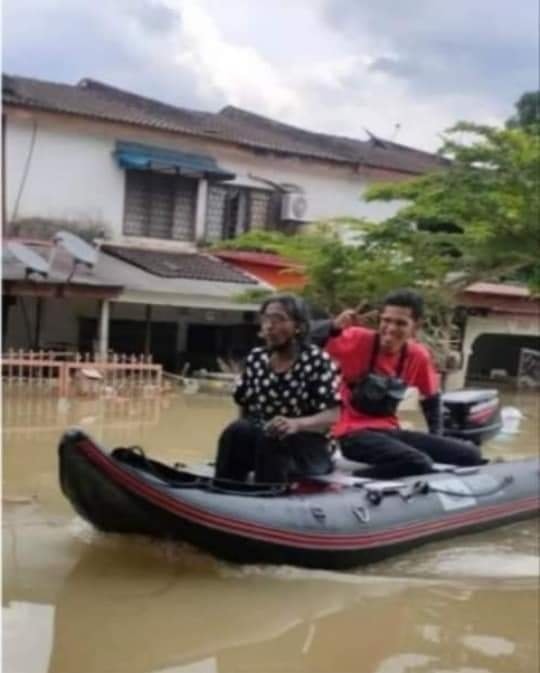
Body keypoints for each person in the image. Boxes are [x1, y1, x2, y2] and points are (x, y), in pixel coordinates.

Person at [313, 289, 484, 478]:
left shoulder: (418, 355)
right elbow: (305, 340)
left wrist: (436, 438)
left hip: (389, 431)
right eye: (386, 320)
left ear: (416, 326)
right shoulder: (358, 339)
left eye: (401, 323)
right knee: (417, 462)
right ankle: (349, 481)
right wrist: (334, 326)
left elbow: (431, 398)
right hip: (351, 434)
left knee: (470, 454)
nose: (391, 328)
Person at [215, 294, 341, 484]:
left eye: (279, 319)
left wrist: (295, 424)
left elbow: (333, 414)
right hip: (263, 439)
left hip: (307, 445)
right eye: (266, 319)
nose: (269, 325)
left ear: (298, 326)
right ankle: (224, 487)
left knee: (274, 437)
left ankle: (267, 495)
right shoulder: (256, 358)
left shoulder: (317, 360)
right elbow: (245, 405)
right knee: (236, 431)